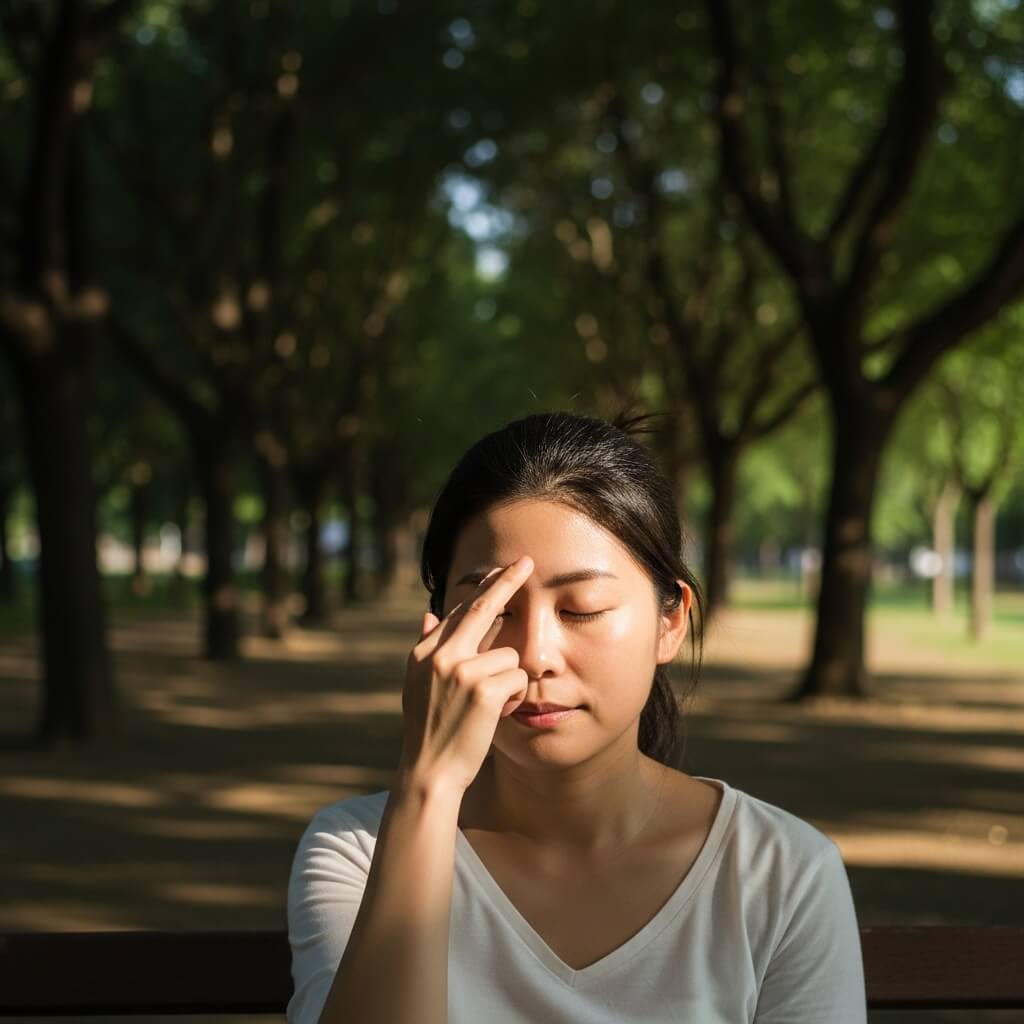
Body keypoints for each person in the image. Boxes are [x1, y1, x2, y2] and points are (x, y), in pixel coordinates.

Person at [286, 410, 867, 1024]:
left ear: (670, 622)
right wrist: (427, 786)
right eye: (495, 608)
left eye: (582, 608)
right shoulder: (358, 850)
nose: (535, 653)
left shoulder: (781, 873)